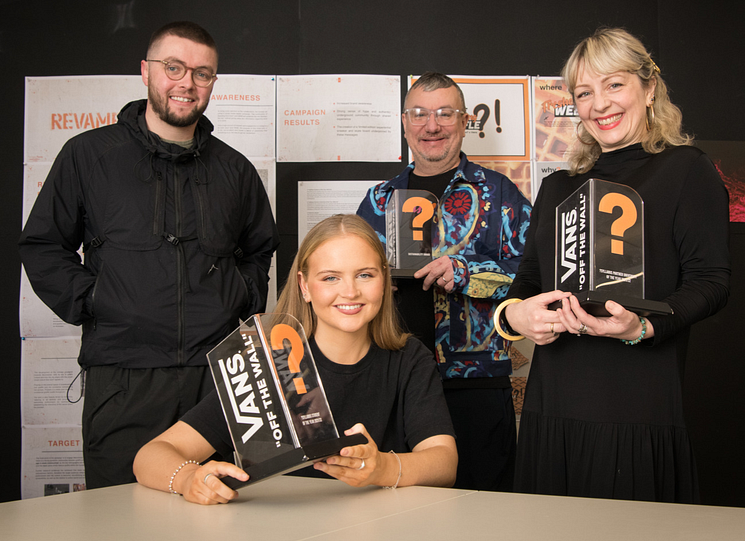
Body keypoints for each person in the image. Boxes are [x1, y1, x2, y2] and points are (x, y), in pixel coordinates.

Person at [18, 21, 279, 489]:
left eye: (203, 73)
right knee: (120, 515)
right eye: (174, 67)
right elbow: (42, 245)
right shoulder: (87, 155)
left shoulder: (235, 170)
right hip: (122, 378)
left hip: (216, 382)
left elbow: (260, 250)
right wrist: (95, 300)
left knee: (220, 509)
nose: (187, 83)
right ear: (146, 71)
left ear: (213, 82)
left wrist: (238, 293)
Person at [500, 28, 730, 503]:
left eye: (614, 84)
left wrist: (642, 326)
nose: (599, 103)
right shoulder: (558, 186)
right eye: (585, 92)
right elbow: (525, 282)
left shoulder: (687, 169)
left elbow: (711, 281)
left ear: (649, 89)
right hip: (552, 409)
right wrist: (513, 316)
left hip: (637, 409)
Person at [133, 214, 458, 504]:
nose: (349, 291)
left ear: (385, 280)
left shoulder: (409, 359)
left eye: (365, 275)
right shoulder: (265, 365)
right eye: (330, 277)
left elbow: (444, 463)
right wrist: (189, 478)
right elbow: (149, 457)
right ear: (304, 286)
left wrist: (381, 467)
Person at [357, 72, 531, 491]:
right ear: (404, 122)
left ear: (465, 120)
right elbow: (350, 276)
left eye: (444, 114)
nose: (430, 125)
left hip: (476, 384)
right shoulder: (378, 199)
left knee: (484, 508)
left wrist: (465, 273)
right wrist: (372, 280)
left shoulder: (501, 194)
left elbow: (534, 279)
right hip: (393, 380)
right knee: (398, 510)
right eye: (419, 113)